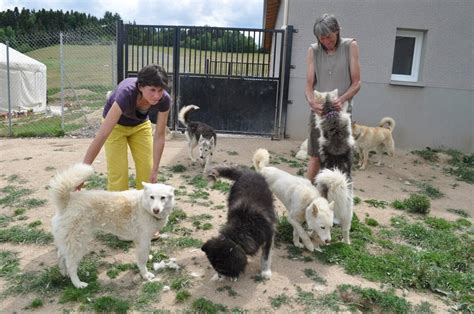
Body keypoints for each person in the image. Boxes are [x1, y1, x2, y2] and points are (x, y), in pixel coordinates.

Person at [81, 64, 171, 191]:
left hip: (140, 125)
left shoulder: (164, 100)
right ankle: (118, 209)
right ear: (140, 87)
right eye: (152, 90)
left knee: (148, 173)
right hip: (116, 127)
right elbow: (102, 135)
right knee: (118, 174)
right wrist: (82, 174)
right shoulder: (126, 94)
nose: (157, 96)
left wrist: (155, 170)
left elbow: (160, 136)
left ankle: (144, 209)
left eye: (160, 90)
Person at [304, 13, 361, 182]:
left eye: (329, 37)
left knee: (339, 160)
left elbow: (357, 82)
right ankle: (310, 200)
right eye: (322, 39)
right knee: (315, 157)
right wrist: (312, 103)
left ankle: (337, 200)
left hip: (341, 113)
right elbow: (308, 86)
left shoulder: (350, 46)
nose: (326, 42)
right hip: (319, 112)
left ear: (337, 30)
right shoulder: (313, 50)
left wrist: (342, 99)